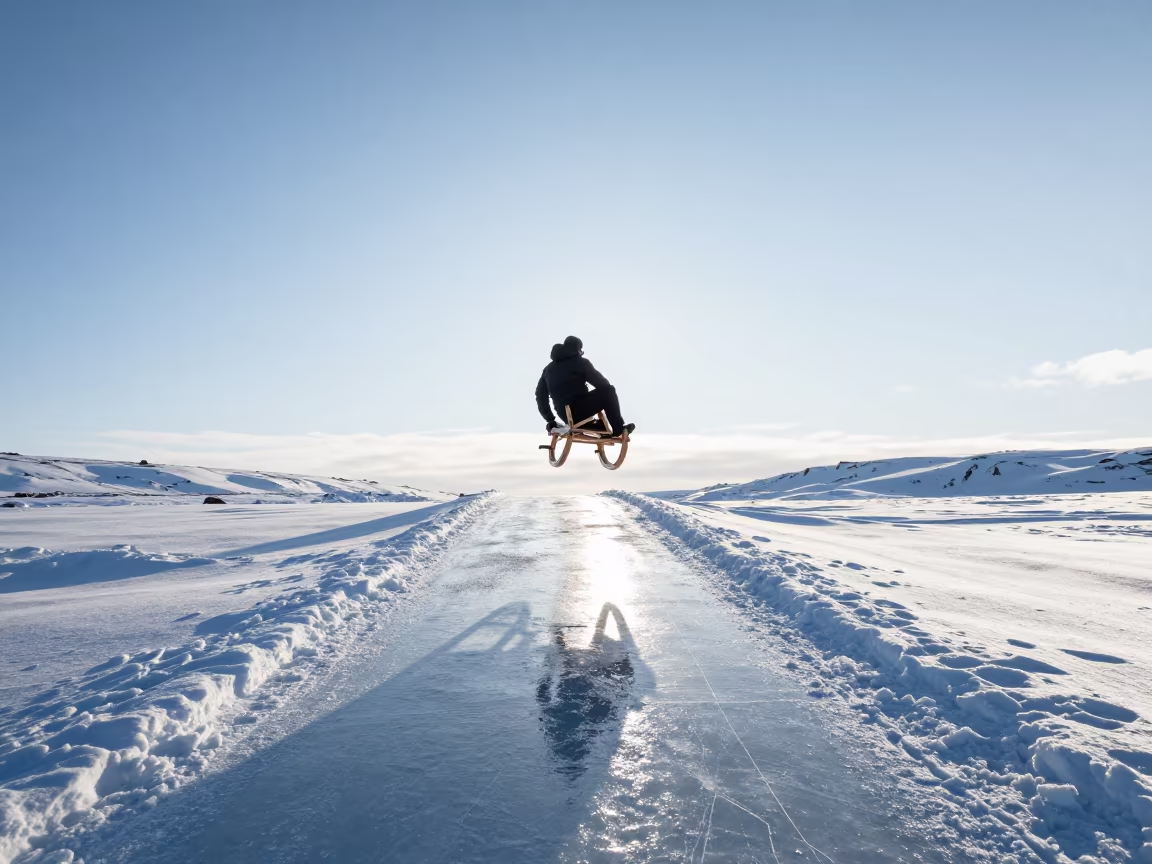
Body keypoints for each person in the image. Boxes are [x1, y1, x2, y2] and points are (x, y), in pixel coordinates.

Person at [535, 336, 635, 437]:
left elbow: (540, 396)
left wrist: (550, 419)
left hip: (565, 415)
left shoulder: (547, 369)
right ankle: (618, 429)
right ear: (578, 349)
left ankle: (597, 426)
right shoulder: (580, 362)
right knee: (608, 391)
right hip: (579, 410)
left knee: (596, 397)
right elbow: (602, 384)